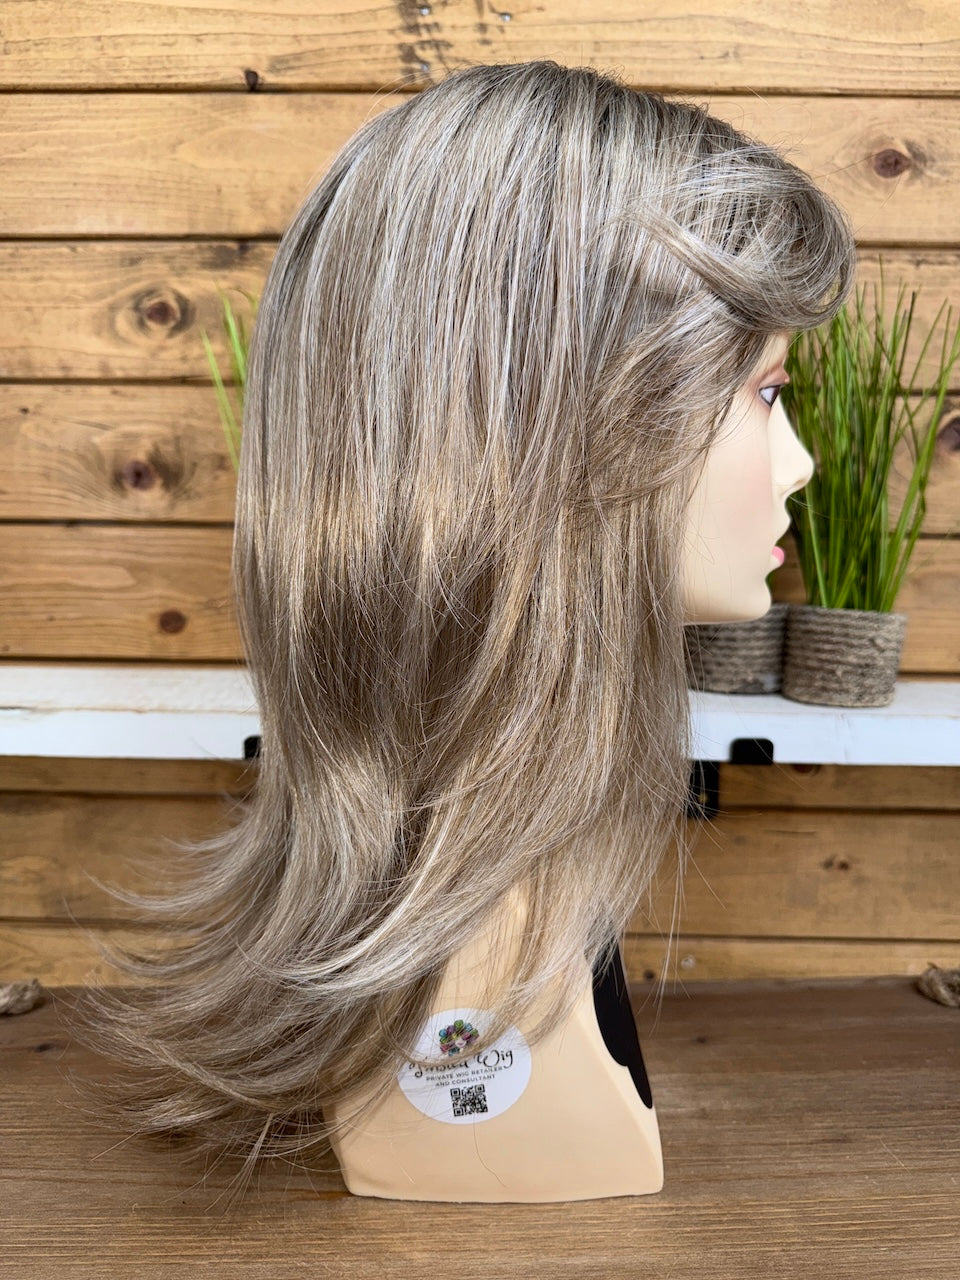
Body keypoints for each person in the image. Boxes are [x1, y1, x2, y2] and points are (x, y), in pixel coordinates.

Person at [70, 59, 855, 1202]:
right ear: (555, 425)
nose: (800, 463)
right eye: (765, 394)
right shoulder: (488, 936)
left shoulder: (539, 860)